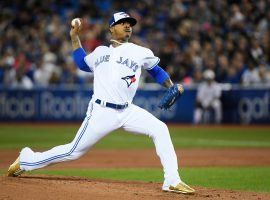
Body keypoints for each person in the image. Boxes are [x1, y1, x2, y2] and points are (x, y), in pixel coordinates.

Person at [7, 12, 195, 194]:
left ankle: (172, 181)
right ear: (112, 28)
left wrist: (171, 85)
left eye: (130, 23)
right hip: (101, 111)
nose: (128, 25)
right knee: (73, 152)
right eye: (123, 23)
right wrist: (74, 37)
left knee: (160, 128)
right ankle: (27, 160)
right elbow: (81, 62)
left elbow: (156, 70)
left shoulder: (140, 51)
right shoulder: (100, 52)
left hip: (128, 111)